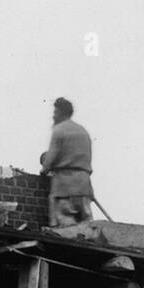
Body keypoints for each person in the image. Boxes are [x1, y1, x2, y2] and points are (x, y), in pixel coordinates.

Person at [39, 97, 94, 226]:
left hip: (65, 186)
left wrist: (44, 169)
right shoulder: (83, 131)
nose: (53, 116)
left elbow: (51, 156)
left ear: (61, 112)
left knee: (65, 227)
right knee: (86, 227)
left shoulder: (59, 129)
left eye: (55, 112)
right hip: (84, 186)